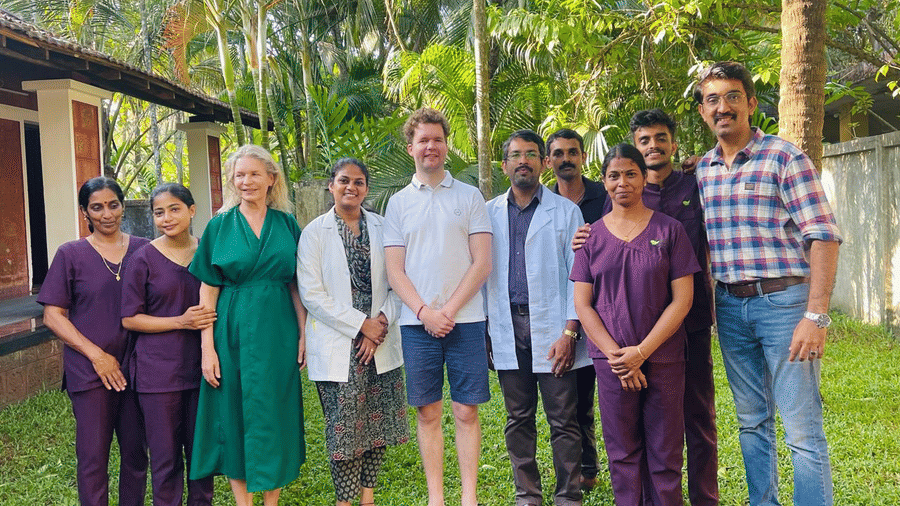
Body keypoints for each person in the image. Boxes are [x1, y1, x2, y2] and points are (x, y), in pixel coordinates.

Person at [693, 61, 841, 506]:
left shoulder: (785, 157)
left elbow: (824, 234)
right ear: (703, 111)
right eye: (713, 100)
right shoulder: (703, 170)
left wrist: (815, 315)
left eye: (732, 97)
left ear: (752, 104)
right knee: (751, 421)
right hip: (731, 308)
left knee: (801, 427)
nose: (723, 108)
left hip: (784, 305)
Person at [571, 144, 699, 506]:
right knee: (622, 454)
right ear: (604, 181)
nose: (622, 182)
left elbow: (683, 300)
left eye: (630, 173)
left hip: (664, 359)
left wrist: (641, 353)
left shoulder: (670, 230)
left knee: (666, 453)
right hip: (610, 364)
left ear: (644, 178)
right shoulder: (591, 237)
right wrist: (619, 358)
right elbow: (583, 303)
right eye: (613, 175)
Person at [383, 107, 492, 506]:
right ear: (411, 147)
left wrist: (448, 311)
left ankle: (468, 498)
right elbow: (395, 271)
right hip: (417, 326)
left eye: (437, 139)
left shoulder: (470, 196)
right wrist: (426, 313)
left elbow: (482, 263)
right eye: (423, 140)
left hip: (466, 322)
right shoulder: (397, 204)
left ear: (447, 146)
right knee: (427, 413)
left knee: (466, 411)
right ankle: (436, 499)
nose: (431, 146)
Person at [188, 145, 307, 506]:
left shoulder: (287, 224)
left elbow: (295, 285)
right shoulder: (220, 226)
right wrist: (207, 348)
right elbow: (207, 291)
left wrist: (303, 334)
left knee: (277, 412)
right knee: (232, 411)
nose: (247, 181)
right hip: (232, 331)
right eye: (240, 175)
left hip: (278, 333)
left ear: (271, 179)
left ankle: (271, 501)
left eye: (255, 173)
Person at [298, 158, 410, 506]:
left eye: (359, 182)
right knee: (344, 429)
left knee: (377, 427)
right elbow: (312, 294)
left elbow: (399, 283)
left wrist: (378, 325)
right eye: (344, 180)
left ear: (366, 188)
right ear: (331, 185)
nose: (351, 187)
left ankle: (368, 498)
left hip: (379, 338)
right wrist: (361, 325)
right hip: (339, 340)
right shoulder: (314, 232)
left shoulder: (383, 227)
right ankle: (343, 502)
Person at [485, 130, 588, 506]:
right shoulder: (488, 213)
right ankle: (528, 495)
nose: (523, 161)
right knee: (518, 417)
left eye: (531, 154)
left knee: (563, 418)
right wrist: (485, 329)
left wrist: (569, 330)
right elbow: (480, 274)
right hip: (506, 324)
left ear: (544, 163)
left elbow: (578, 274)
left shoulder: (566, 212)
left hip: (553, 327)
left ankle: (568, 496)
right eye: (515, 155)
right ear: (504, 165)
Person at [38, 176, 149, 506]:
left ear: (123, 206)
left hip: (137, 369)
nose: (106, 214)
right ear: (85, 212)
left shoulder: (145, 249)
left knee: (136, 457)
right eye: (97, 207)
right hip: (89, 373)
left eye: (113, 205)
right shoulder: (70, 254)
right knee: (92, 460)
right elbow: (53, 315)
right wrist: (96, 355)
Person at [627, 109, 719, 506]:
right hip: (640, 325)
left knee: (698, 416)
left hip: (692, 320)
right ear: (635, 146)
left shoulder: (696, 185)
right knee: (647, 420)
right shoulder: (625, 193)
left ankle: (704, 499)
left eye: (660, 138)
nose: (653, 146)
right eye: (644, 140)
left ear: (674, 144)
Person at [121, 183, 216, 506]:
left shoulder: (209, 252)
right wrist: (180, 321)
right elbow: (130, 318)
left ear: (192, 210)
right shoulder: (143, 258)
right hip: (158, 376)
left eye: (174, 209)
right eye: (159, 212)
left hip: (205, 372)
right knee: (165, 462)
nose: (166, 218)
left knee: (202, 460)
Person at [546, 128, 602, 490]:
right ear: (548, 161)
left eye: (572, 152)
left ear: (582, 156)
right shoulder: (543, 202)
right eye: (558, 153)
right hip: (563, 308)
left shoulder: (604, 195)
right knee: (568, 397)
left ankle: (594, 467)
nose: (566, 158)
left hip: (604, 307)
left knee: (592, 395)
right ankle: (581, 470)